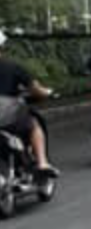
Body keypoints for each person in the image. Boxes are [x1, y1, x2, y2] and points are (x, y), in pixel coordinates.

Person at [0, 30, 57, 176]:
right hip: (7, 115)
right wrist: (48, 92)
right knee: (34, 125)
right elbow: (36, 89)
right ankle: (42, 162)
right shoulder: (12, 67)